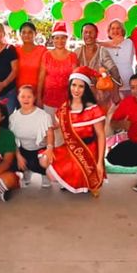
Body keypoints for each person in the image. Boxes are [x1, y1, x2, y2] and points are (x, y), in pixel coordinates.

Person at [46, 67, 107, 196]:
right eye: (74, 85)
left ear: (86, 89)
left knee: (83, 178)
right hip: (70, 148)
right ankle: (69, 179)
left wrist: (100, 163)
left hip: (89, 151)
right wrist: (43, 125)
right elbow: (57, 125)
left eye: (81, 86)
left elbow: (101, 136)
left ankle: (81, 180)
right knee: (47, 165)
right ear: (69, 86)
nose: (76, 90)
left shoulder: (93, 109)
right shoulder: (64, 108)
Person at [9, 85, 55, 188]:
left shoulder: (43, 115)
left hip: (40, 150)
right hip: (23, 149)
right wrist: (18, 156)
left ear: (34, 98)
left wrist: (50, 149)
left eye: (29, 97)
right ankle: (26, 170)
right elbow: (12, 139)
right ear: (18, 98)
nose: (26, 99)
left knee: (44, 160)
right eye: (23, 96)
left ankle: (45, 173)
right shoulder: (13, 117)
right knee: (9, 159)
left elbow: (50, 133)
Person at [75, 22, 122, 110]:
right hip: (82, 96)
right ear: (82, 35)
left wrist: (115, 91)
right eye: (85, 32)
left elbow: (113, 69)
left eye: (91, 32)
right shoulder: (77, 52)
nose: (88, 35)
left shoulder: (102, 51)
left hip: (101, 97)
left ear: (96, 34)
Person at [38, 22, 78, 121]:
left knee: (64, 127)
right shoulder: (47, 55)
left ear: (66, 39)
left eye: (62, 38)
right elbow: (41, 78)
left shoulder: (73, 56)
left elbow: (75, 79)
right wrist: (38, 97)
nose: (59, 41)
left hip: (66, 100)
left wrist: (76, 99)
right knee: (49, 127)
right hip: (48, 99)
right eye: (57, 38)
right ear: (52, 39)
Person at [101, 19, 135, 99]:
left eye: (118, 28)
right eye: (112, 28)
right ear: (109, 31)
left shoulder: (129, 42)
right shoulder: (103, 46)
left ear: (122, 30)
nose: (115, 30)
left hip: (128, 84)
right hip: (111, 86)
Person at [15, 21, 46, 95]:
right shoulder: (15, 50)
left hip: (37, 92)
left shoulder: (42, 50)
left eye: (30, 32)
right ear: (20, 34)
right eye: (24, 32)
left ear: (35, 34)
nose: (26, 35)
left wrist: (38, 95)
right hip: (19, 93)